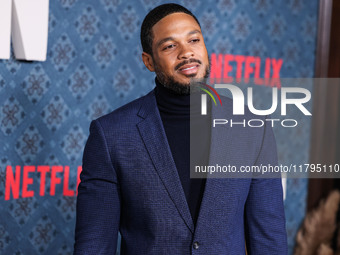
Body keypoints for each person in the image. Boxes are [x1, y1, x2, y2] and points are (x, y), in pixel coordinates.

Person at [74, 3, 288, 254]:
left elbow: (269, 240)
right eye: (169, 46)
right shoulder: (110, 136)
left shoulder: (253, 127)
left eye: (194, 40)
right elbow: (94, 245)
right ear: (149, 61)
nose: (186, 53)